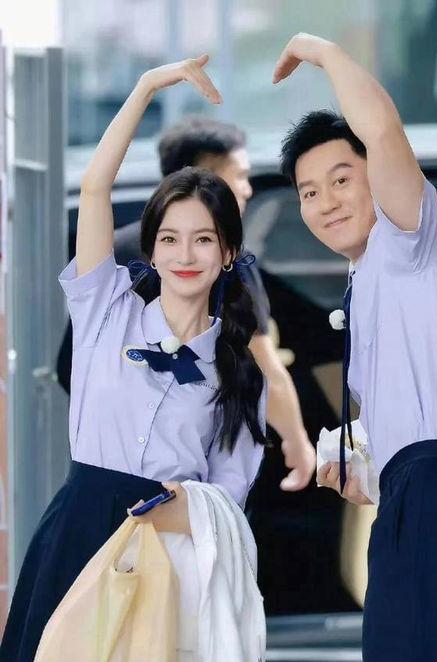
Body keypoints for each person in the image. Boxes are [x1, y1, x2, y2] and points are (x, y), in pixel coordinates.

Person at [0, 55, 267, 662]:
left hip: (164, 554)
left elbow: (231, 496)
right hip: (79, 530)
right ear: (150, 249)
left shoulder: (238, 372)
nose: (185, 254)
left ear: (227, 254)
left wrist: (180, 510)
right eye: (169, 238)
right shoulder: (107, 309)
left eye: (203, 239)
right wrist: (147, 87)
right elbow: (96, 188)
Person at [274, 32, 437, 662]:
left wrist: (321, 50)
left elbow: (381, 127)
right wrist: (361, 472)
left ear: (378, 173)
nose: (326, 201)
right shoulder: (367, 279)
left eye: (342, 179)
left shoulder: (411, 239)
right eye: (309, 191)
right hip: (427, 495)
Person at [57, 115, 316, 492]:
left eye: (203, 241)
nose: (247, 189)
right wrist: (296, 439)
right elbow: (265, 366)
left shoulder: (120, 247)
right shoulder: (116, 292)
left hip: (153, 493)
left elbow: (67, 366)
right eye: (239, 175)